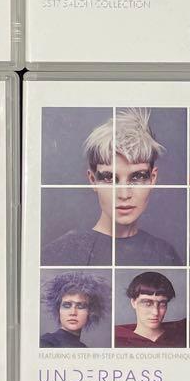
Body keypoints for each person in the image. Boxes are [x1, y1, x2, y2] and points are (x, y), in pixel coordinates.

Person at [42, 109, 181, 266]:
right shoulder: (60, 253)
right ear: (93, 180)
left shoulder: (165, 255)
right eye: (109, 178)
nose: (124, 194)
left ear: (153, 178)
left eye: (137, 177)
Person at [39, 271, 111, 348]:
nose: (73, 312)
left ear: (90, 312)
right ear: (58, 310)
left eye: (81, 306)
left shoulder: (84, 348)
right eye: (67, 306)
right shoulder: (46, 342)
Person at [114, 271, 186, 347]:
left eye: (162, 304)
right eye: (147, 304)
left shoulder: (185, 335)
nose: (156, 312)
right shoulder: (117, 341)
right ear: (133, 302)